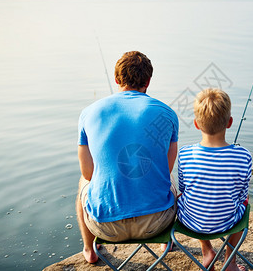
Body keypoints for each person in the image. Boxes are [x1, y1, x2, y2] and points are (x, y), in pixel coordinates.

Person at [76, 51, 179, 263]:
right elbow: (165, 170)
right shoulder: (167, 114)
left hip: (105, 227)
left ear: (116, 79)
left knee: (82, 183)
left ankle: (89, 249)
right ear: (148, 81)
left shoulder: (88, 113)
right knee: (171, 179)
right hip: (155, 224)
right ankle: (164, 242)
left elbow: (87, 173)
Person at [177, 88, 252, 271]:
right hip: (228, 222)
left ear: (196, 124)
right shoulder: (243, 156)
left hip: (191, 222)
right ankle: (229, 262)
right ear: (230, 122)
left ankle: (207, 250)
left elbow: (183, 188)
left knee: (185, 197)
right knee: (245, 203)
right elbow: (242, 194)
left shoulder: (185, 154)